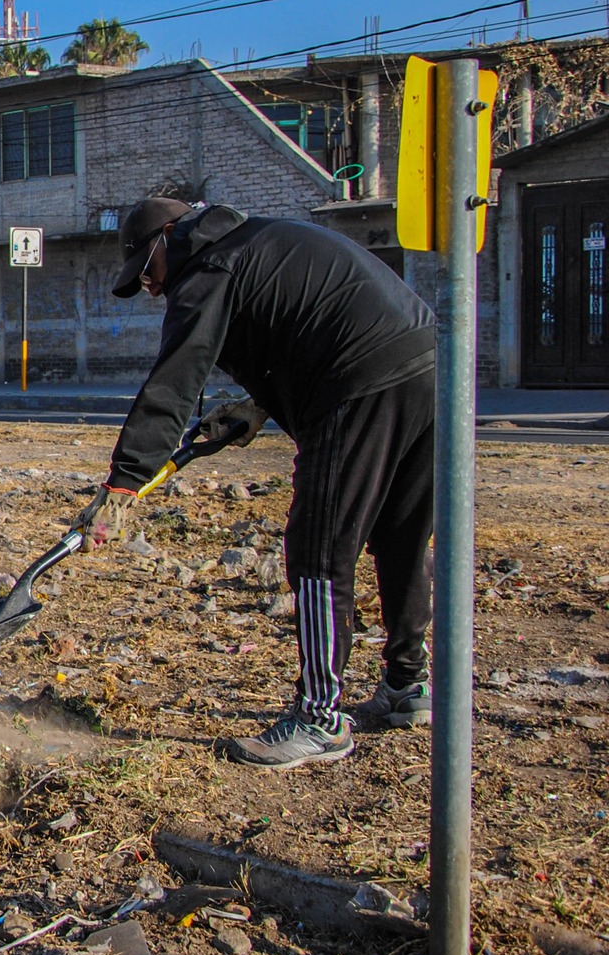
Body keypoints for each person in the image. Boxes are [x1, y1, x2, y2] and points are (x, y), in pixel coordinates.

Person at [82, 198, 437, 769]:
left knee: (318, 552)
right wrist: (255, 408)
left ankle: (320, 718)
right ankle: (406, 684)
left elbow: (176, 379)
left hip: (358, 380)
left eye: (146, 273)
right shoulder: (260, 242)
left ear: (167, 238)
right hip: (422, 362)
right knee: (400, 534)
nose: (150, 290)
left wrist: (124, 482)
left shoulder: (206, 265)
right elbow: (299, 329)